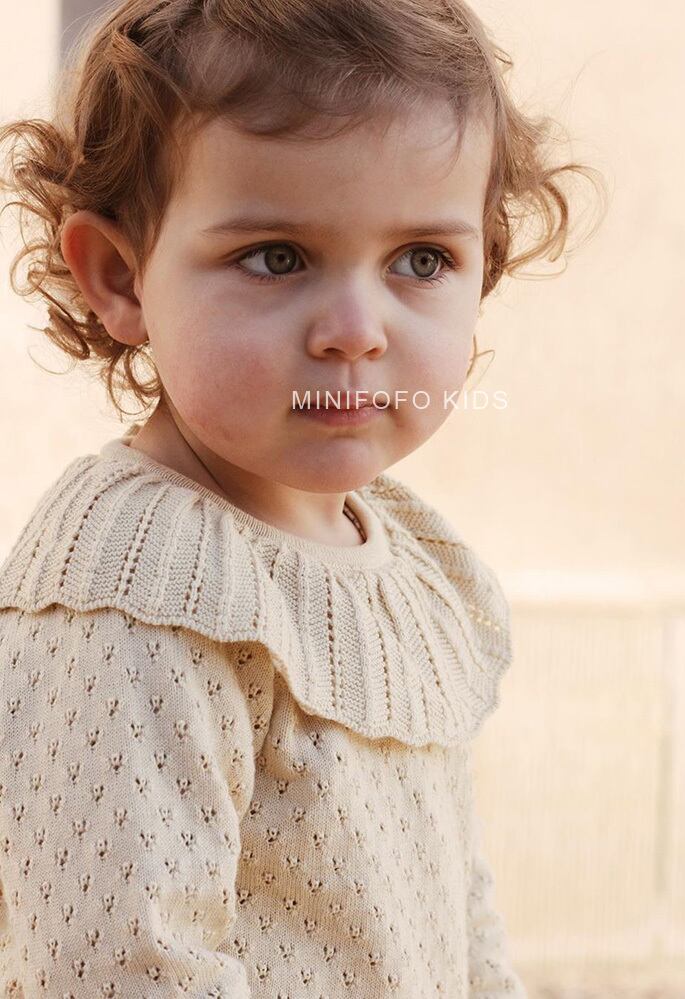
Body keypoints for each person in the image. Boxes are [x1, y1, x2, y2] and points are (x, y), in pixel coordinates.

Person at [0, 0, 602, 994]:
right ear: (121, 277)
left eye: (421, 260)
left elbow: (459, 914)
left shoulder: (407, 557)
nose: (356, 330)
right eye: (277, 257)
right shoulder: (128, 598)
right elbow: (127, 965)